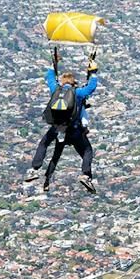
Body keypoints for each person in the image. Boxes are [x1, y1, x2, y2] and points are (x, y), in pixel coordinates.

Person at [25, 46, 99, 192]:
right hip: (74, 129)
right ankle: (85, 175)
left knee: (45, 145)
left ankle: (34, 169)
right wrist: (93, 72)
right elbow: (91, 87)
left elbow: (49, 77)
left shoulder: (56, 89)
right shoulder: (77, 93)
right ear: (73, 83)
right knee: (87, 151)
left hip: (57, 127)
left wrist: (54, 63)